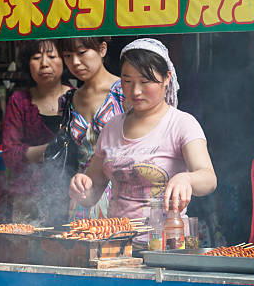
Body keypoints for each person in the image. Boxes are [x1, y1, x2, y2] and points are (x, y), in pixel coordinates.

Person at [69, 38, 216, 222]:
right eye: (127, 81)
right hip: (117, 242)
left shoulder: (182, 123)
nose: (135, 91)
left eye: (145, 81)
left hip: (165, 243)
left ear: (166, 78)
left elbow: (209, 179)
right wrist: (80, 186)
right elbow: (91, 193)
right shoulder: (112, 127)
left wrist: (187, 179)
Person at [2, 39, 73, 225]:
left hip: (72, 197)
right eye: (36, 57)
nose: (44, 64)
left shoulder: (77, 98)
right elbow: (10, 154)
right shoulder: (19, 101)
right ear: (28, 63)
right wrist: (51, 150)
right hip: (28, 199)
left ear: (65, 60)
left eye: (51, 56)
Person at [56, 37, 125, 220]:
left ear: (102, 49)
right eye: (68, 56)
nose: (75, 62)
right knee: (80, 245)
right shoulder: (67, 100)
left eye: (82, 53)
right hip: (82, 193)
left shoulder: (125, 91)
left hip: (121, 193)